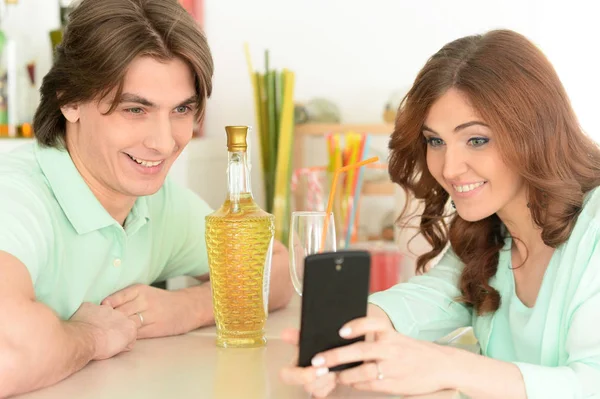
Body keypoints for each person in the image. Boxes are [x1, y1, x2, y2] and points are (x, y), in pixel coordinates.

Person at [280, 29, 600, 399]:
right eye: (435, 141)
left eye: (476, 140)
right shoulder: (492, 229)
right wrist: (345, 336)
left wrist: (447, 366)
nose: (449, 168)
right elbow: (434, 295)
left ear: (535, 132)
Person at [0, 0, 292, 397]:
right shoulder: (15, 197)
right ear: (69, 101)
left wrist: (187, 307)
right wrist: (92, 337)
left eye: (181, 109)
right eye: (135, 109)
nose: (163, 141)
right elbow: (8, 354)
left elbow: (275, 272)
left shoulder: (156, 203)